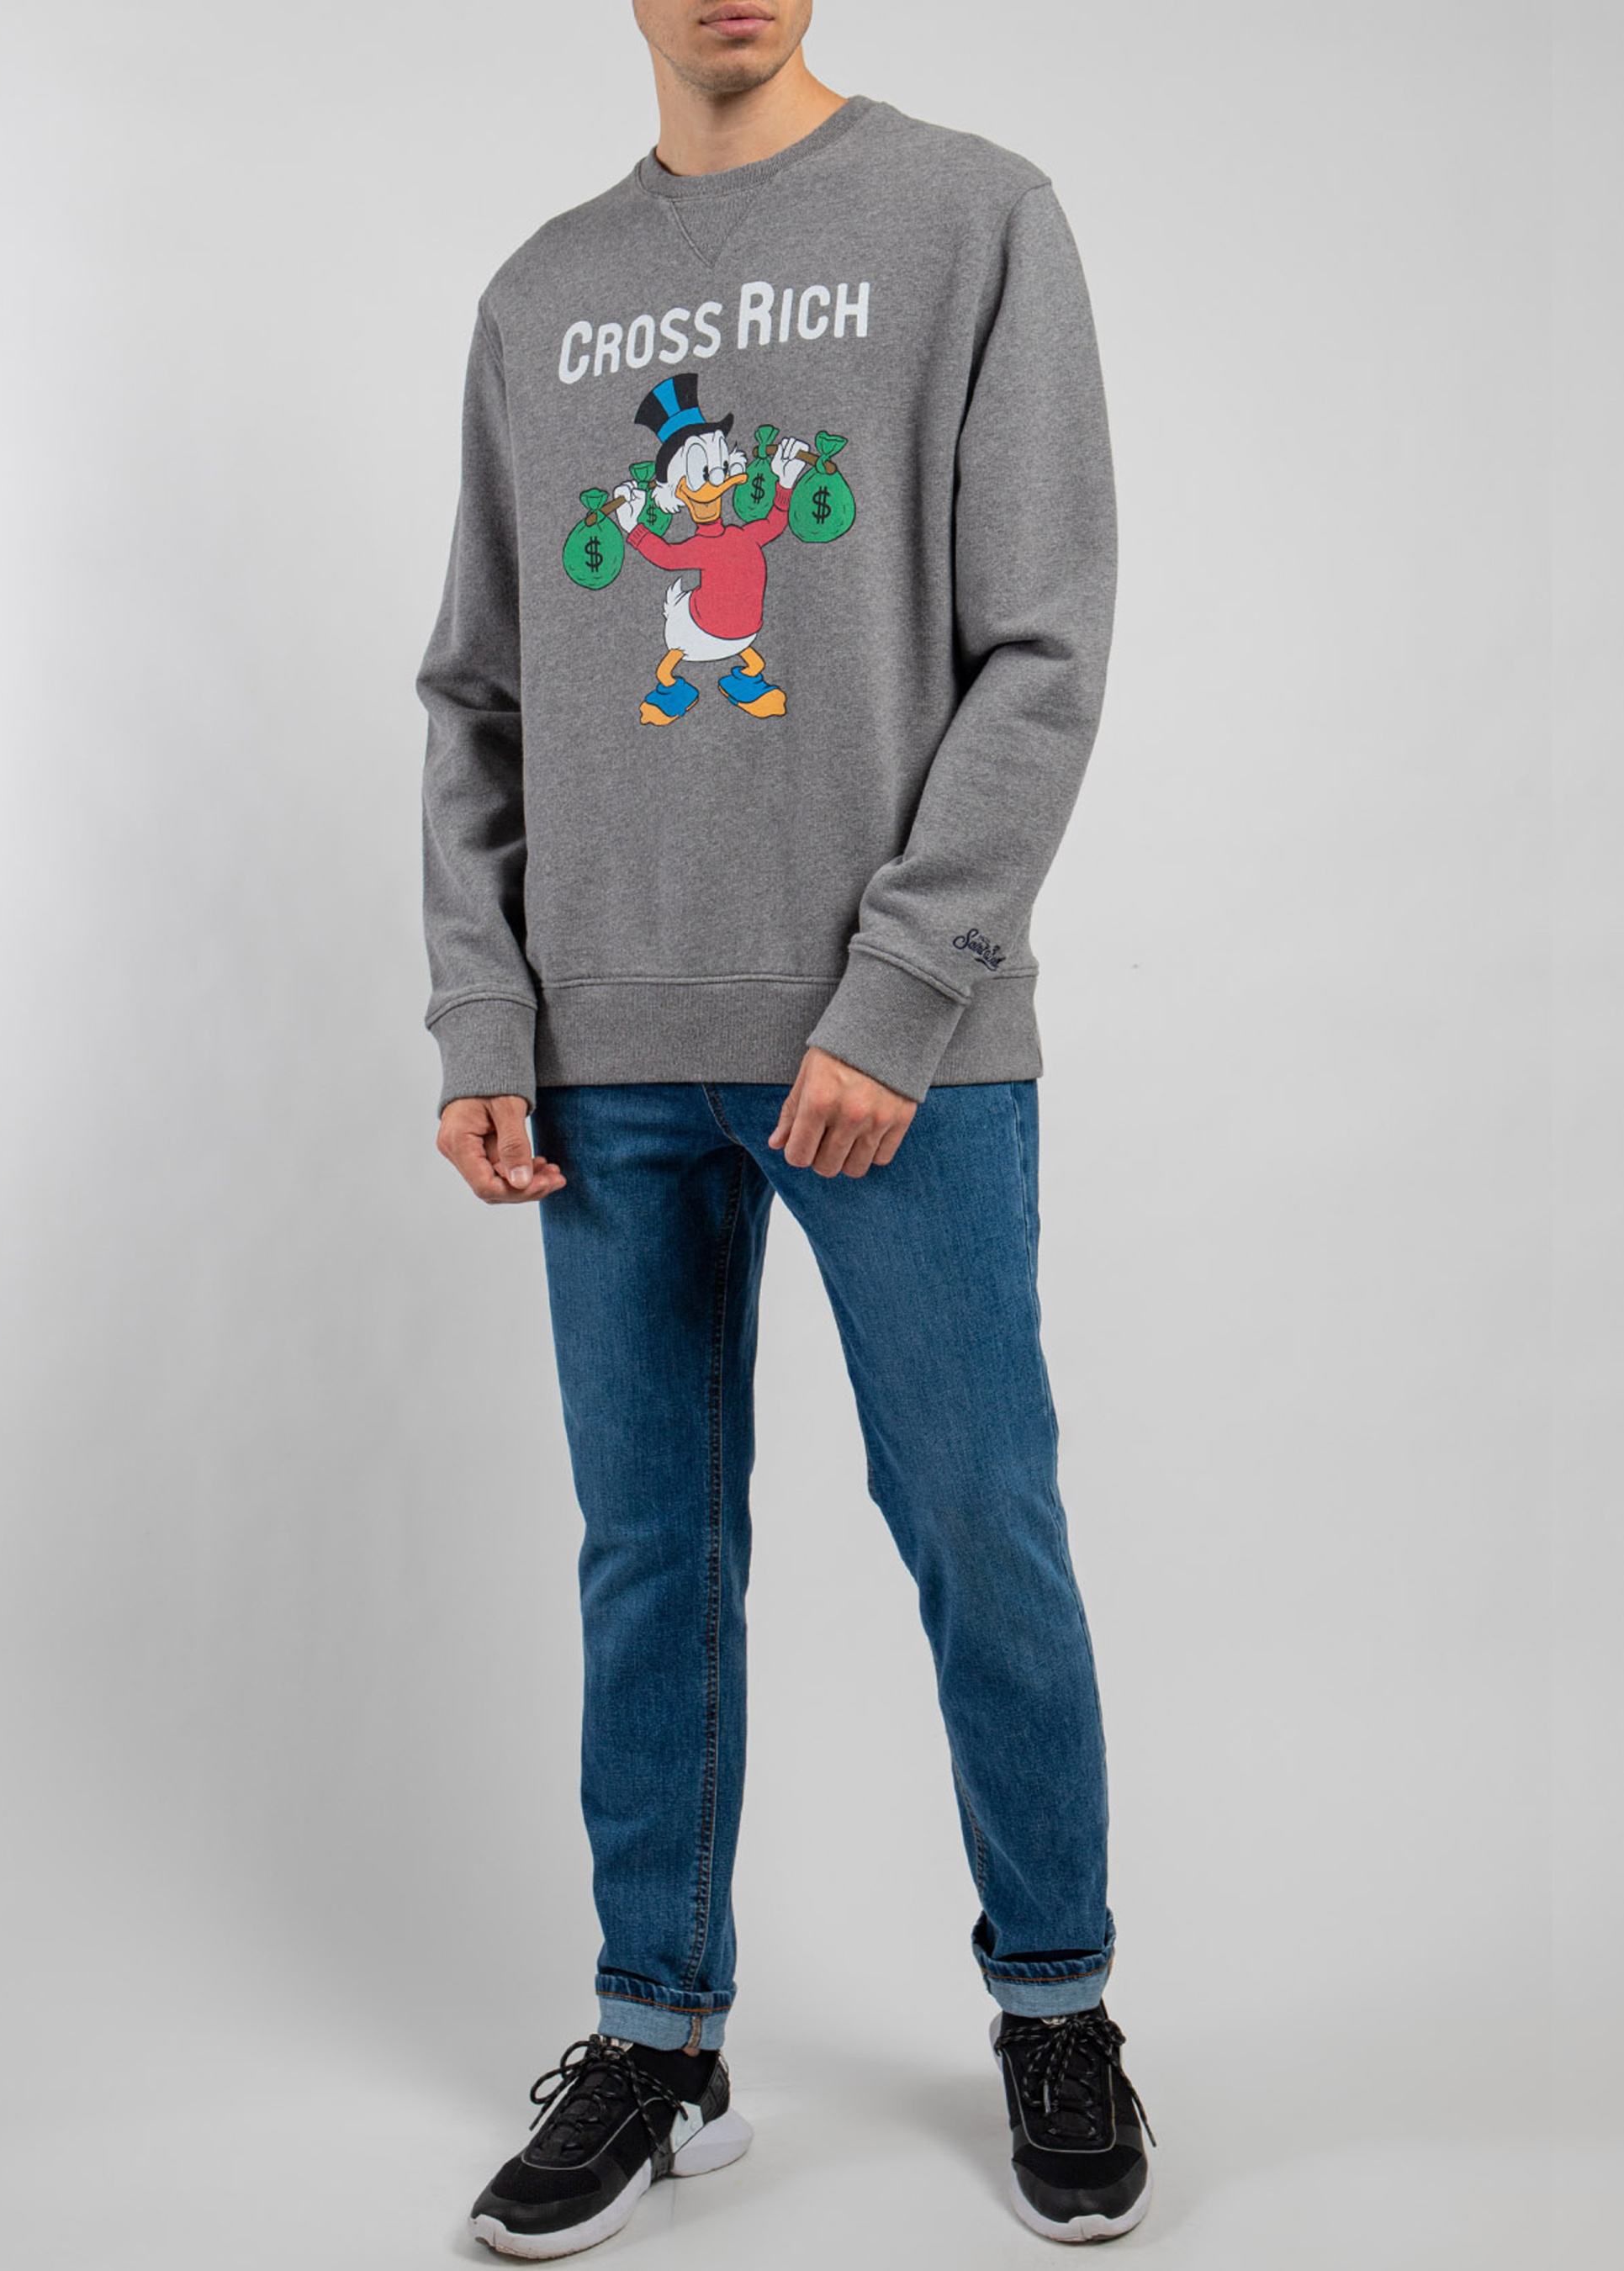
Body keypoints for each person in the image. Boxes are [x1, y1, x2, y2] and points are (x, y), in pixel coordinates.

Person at [416, 2, 1154, 2252]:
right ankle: (659, 2038)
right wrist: (484, 1009)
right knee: (650, 1552)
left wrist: (902, 987)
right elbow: (479, 683)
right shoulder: (539, 294)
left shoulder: (974, 220)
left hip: (895, 1059)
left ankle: (1056, 2001)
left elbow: (1045, 642)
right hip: (602, 1050)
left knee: (979, 1524)